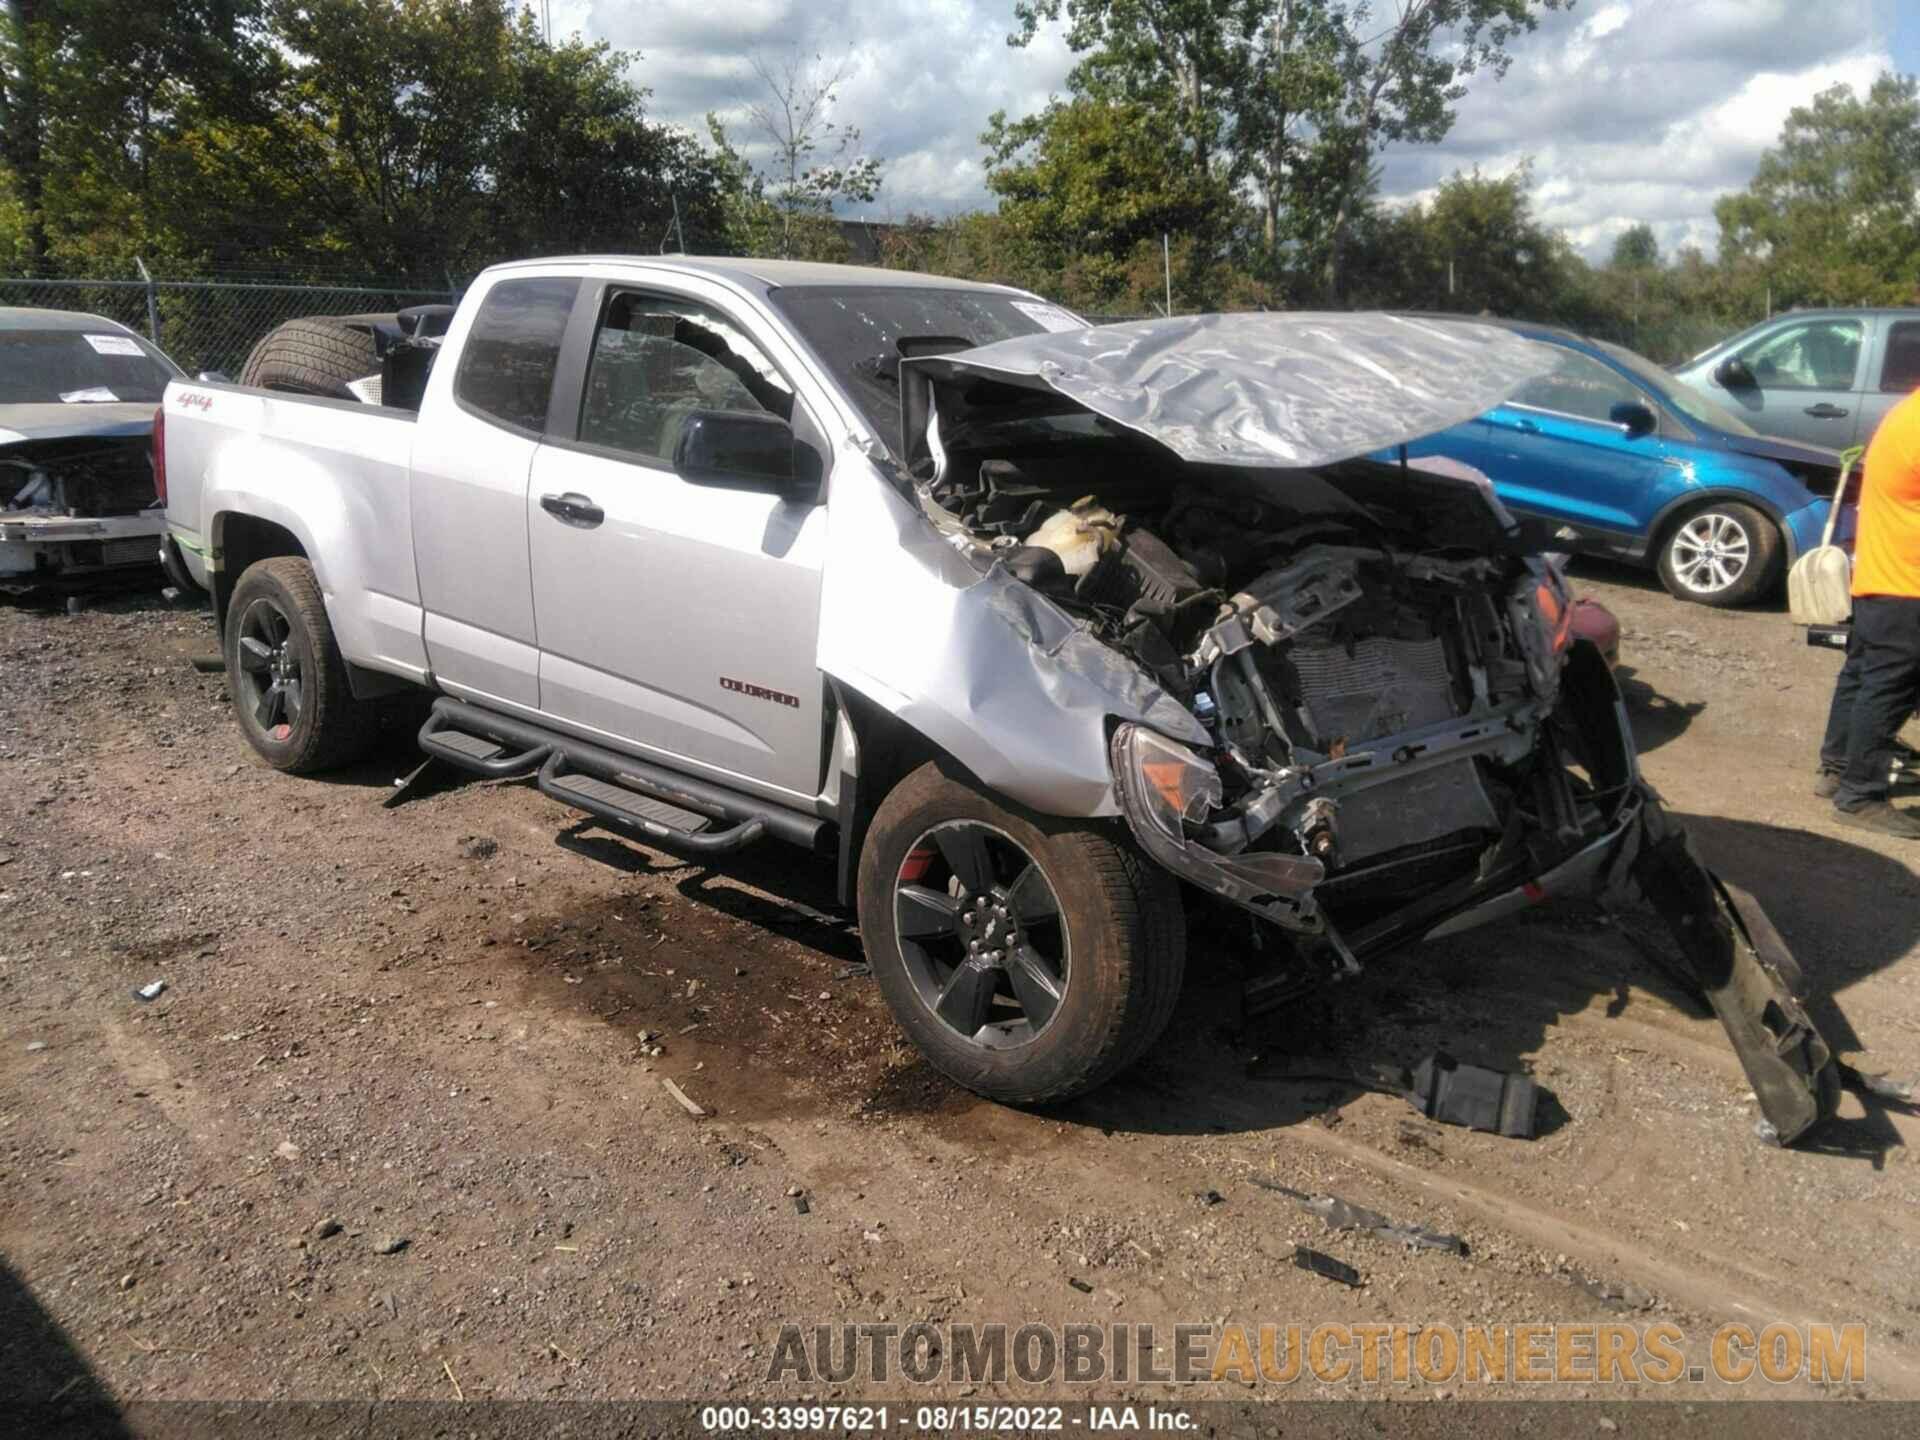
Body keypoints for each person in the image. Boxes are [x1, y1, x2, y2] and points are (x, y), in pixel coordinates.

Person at [1827, 387, 1920, 836]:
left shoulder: (1907, 411)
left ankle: (1837, 769)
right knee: (1889, 685)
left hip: (1880, 572)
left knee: (1863, 673)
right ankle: (1859, 794)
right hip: (1907, 582)